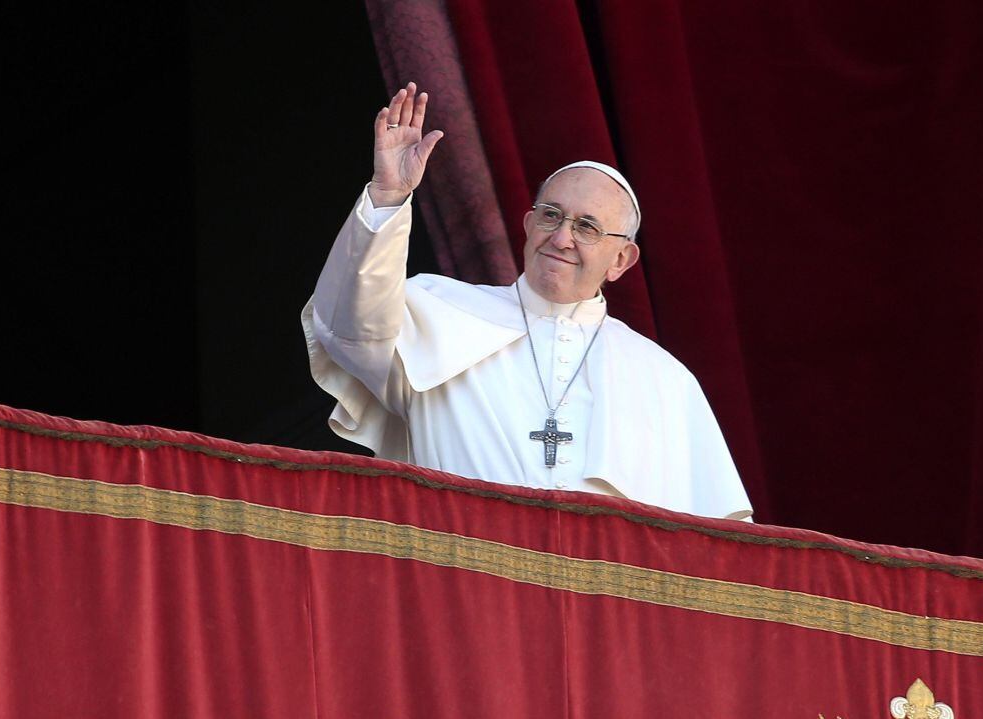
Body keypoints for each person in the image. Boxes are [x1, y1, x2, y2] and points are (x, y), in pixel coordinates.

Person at [302, 83, 752, 520]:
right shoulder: (437, 312)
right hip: (466, 584)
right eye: (551, 215)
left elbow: (714, 539)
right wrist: (387, 196)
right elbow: (350, 327)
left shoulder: (664, 379)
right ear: (527, 223)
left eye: (587, 227)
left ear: (621, 259)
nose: (561, 238)